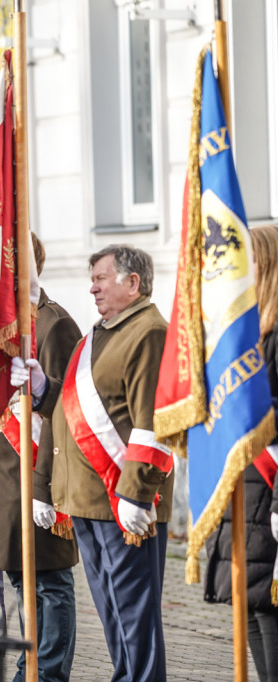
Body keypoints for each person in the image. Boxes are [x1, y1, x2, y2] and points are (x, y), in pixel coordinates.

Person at [45, 244, 173, 682]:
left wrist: (137, 494)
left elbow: (151, 422)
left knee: (135, 616)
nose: (92, 287)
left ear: (132, 282)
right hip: (86, 499)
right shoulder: (99, 332)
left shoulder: (149, 332)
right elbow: (66, 411)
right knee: (112, 613)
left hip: (124, 502)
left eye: (101, 278)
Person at [0, 233, 81, 682]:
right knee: (20, 580)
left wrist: (42, 488)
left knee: (50, 583)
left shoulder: (53, 324)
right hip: (0, 477)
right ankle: (28, 664)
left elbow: (60, 412)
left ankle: (46, 672)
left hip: (34, 475)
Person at [204, 224, 278, 682]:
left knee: (269, 607)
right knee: (248, 605)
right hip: (242, 486)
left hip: (269, 489)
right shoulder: (244, 333)